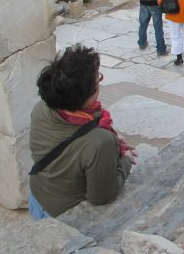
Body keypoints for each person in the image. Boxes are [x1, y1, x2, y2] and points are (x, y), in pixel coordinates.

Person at [29, 45, 136, 219]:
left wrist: (113, 139)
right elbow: (101, 196)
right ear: (90, 94)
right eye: (98, 79)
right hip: (62, 216)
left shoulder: (41, 108)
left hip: (36, 197)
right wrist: (126, 160)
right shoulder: (100, 141)